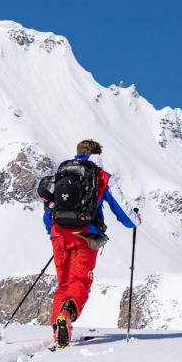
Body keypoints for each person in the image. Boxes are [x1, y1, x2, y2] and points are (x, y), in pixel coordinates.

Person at [41, 139, 140, 348]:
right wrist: (136, 219)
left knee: (64, 284)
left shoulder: (62, 173)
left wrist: (56, 232)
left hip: (59, 236)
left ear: (78, 154)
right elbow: (125, 215)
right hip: (84, 236)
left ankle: (58, 328)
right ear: (98, 155)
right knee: (80, 281)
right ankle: (67, 314)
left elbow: (48, 211)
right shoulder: (101, 177)